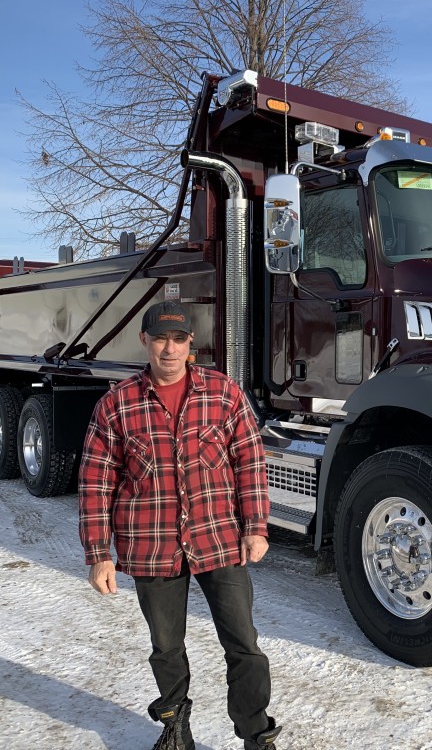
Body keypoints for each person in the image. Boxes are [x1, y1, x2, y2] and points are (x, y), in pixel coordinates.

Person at [78, 300, 282, 750]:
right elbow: (96, 481)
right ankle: (176, 729)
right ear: (144, 341)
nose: (169, 350)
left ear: (191, 344)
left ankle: (255, 732)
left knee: (244, 644)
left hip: (220, 539)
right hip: (151, 546)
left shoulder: (223, 392)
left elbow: (249, 461)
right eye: (160, 339)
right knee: (166, 647)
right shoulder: (117, 403)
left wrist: (257, 526)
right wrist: (98, 554)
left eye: (178, 340)